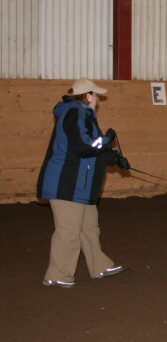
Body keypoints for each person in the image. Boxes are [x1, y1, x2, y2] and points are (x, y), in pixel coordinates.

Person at [37, 78, 130, 288]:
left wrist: (113, 157)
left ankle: (99, 265)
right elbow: (84, 146)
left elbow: (90, 152)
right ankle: (57, 273)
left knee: (89, 227)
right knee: (69, 231)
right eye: (95, 94)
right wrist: (106, 141)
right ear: (87, 95)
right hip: (67, 183)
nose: (97, 98)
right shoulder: (76, 114)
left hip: (80, 184)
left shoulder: (82, 115)